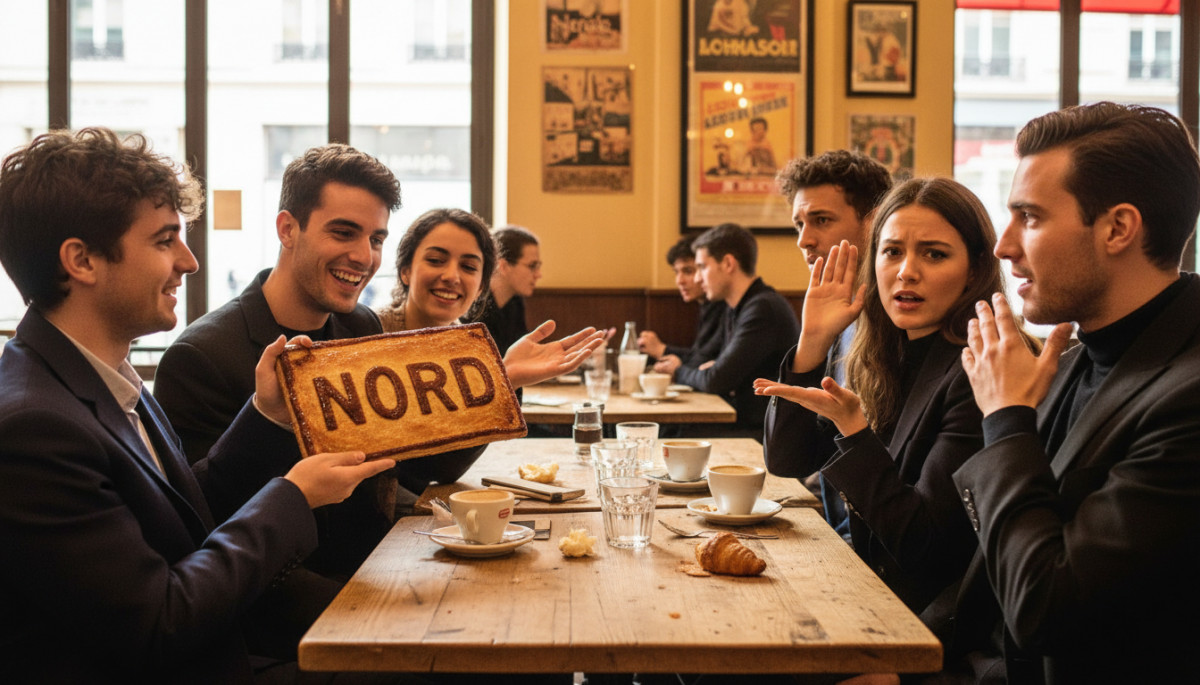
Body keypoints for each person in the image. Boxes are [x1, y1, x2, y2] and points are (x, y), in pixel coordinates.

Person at [0, 128, 394, 682]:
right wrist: (294, 497)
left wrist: (266, 415)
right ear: (82, 261)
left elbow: (186, 519)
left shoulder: (106, 378)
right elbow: (160, 623)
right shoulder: (32, 427)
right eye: (165, 241)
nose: (190, 262)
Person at [929, 102, 1200, 683]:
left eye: (1029, 217)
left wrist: (1005, 417)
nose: (1002, 247)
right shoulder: (1076, 355)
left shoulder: (1188, 396)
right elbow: (985, 578)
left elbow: (1045, 609)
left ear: (1118, 229)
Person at [754, 178, 1025, 616]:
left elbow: (924, 546)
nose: (906, 271)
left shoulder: (981, 368)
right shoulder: (881, 352)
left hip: (920, 618)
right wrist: (811, 345)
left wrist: (854, 431)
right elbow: (787, 461)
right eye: (892, 251)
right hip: (860, 581)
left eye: (934, 254)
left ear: (974, 270)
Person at [764, 150, 893, 540]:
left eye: (821, 220)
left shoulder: (903, 322)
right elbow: (787, 460)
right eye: (799, 224)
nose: (804, 240)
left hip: (880, 554)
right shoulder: (840, 319)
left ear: (873, 223)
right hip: (841, 534)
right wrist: (811, 342)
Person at [653, 223, 799, 437]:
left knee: (671, 435)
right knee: (666, 430)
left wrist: (678, 371)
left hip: (766, 434)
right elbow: (716, 372)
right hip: (746, 420)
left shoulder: (762, 308)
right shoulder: (738, 308)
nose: (697, 278)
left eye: (702, 267)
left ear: (728, 263)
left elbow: (714, 379)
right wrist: (713, 373)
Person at [638, 234, 726, 368]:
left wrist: (661, 350)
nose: (679, 281)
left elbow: (703, 363)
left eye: (688, 271)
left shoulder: (724, 306)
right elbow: (699, 355)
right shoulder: (706, 305)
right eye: (676, 272)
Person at [468, 224, 542, 355]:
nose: (538, 274)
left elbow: (522, 353)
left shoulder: (515, 301)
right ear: (503, 266)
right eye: (532, 266)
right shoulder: (475, 309)